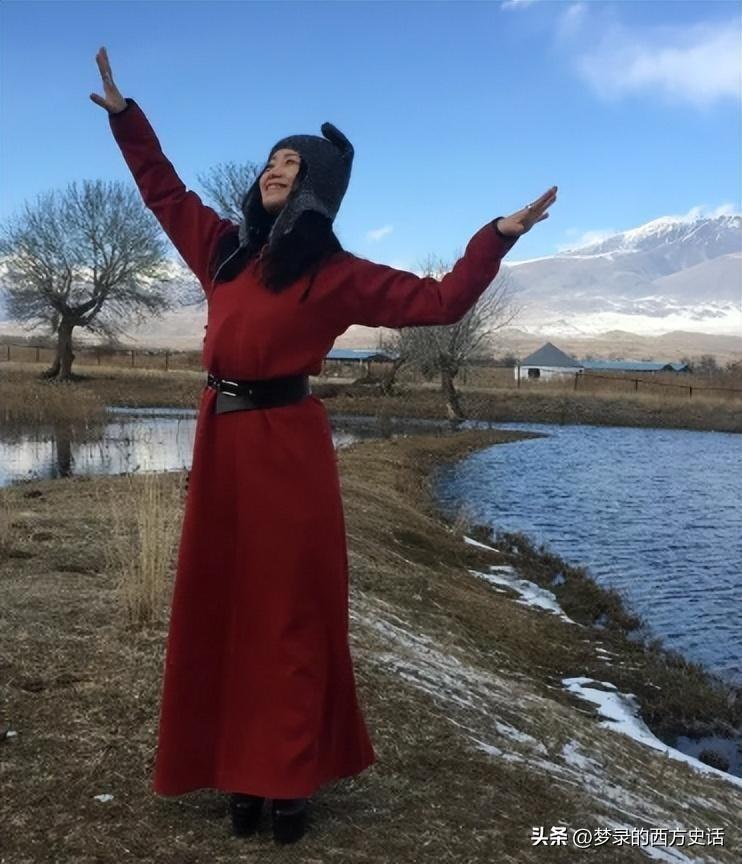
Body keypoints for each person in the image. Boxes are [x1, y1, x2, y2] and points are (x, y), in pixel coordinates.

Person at [90, 46, 557, 845]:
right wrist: (128, 120)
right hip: (222, 448)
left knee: (287, 618)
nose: (275, 170)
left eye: (293, 163)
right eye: (272, 159)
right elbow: (164, 193)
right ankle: (236, 769)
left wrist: (497, 236)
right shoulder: (223, 252)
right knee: (222, 610)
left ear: (316, 188)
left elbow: (441, 302)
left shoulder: (335, 274)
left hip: (288, 454)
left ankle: (286, 777)